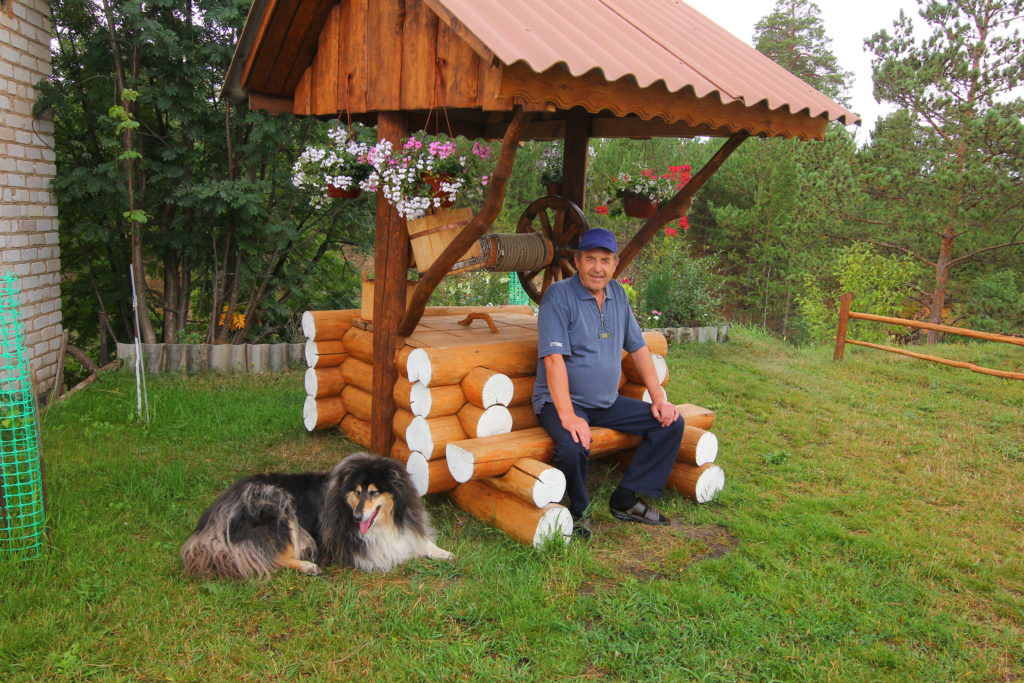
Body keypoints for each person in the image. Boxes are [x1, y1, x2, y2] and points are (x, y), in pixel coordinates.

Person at [532, 228, 684, 538]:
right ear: (577, 260)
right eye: (590, 259)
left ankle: (626, 498)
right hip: (560, 401)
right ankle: (578, 511)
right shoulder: (559, 296)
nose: (597, 268)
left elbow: (639, 348)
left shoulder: (617, 296)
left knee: (670, 423)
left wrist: (658, 398)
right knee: (573, 446)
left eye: (605, 260)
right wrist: (568, 415)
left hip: (605, 401)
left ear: (615, 264)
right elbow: (553, 360)